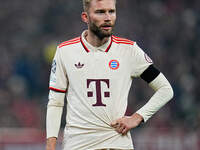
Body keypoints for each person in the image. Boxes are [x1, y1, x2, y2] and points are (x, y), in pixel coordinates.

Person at [46, 0, 174, 149]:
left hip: (117, 144)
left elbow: (165, 89)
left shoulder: (129, 50)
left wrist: (137, 117)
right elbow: (56, 102)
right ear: (85, 17)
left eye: (111, 11)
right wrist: (50, 145)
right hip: (79, 145)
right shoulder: (65, 51)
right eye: (100, 12)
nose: (107, 17)